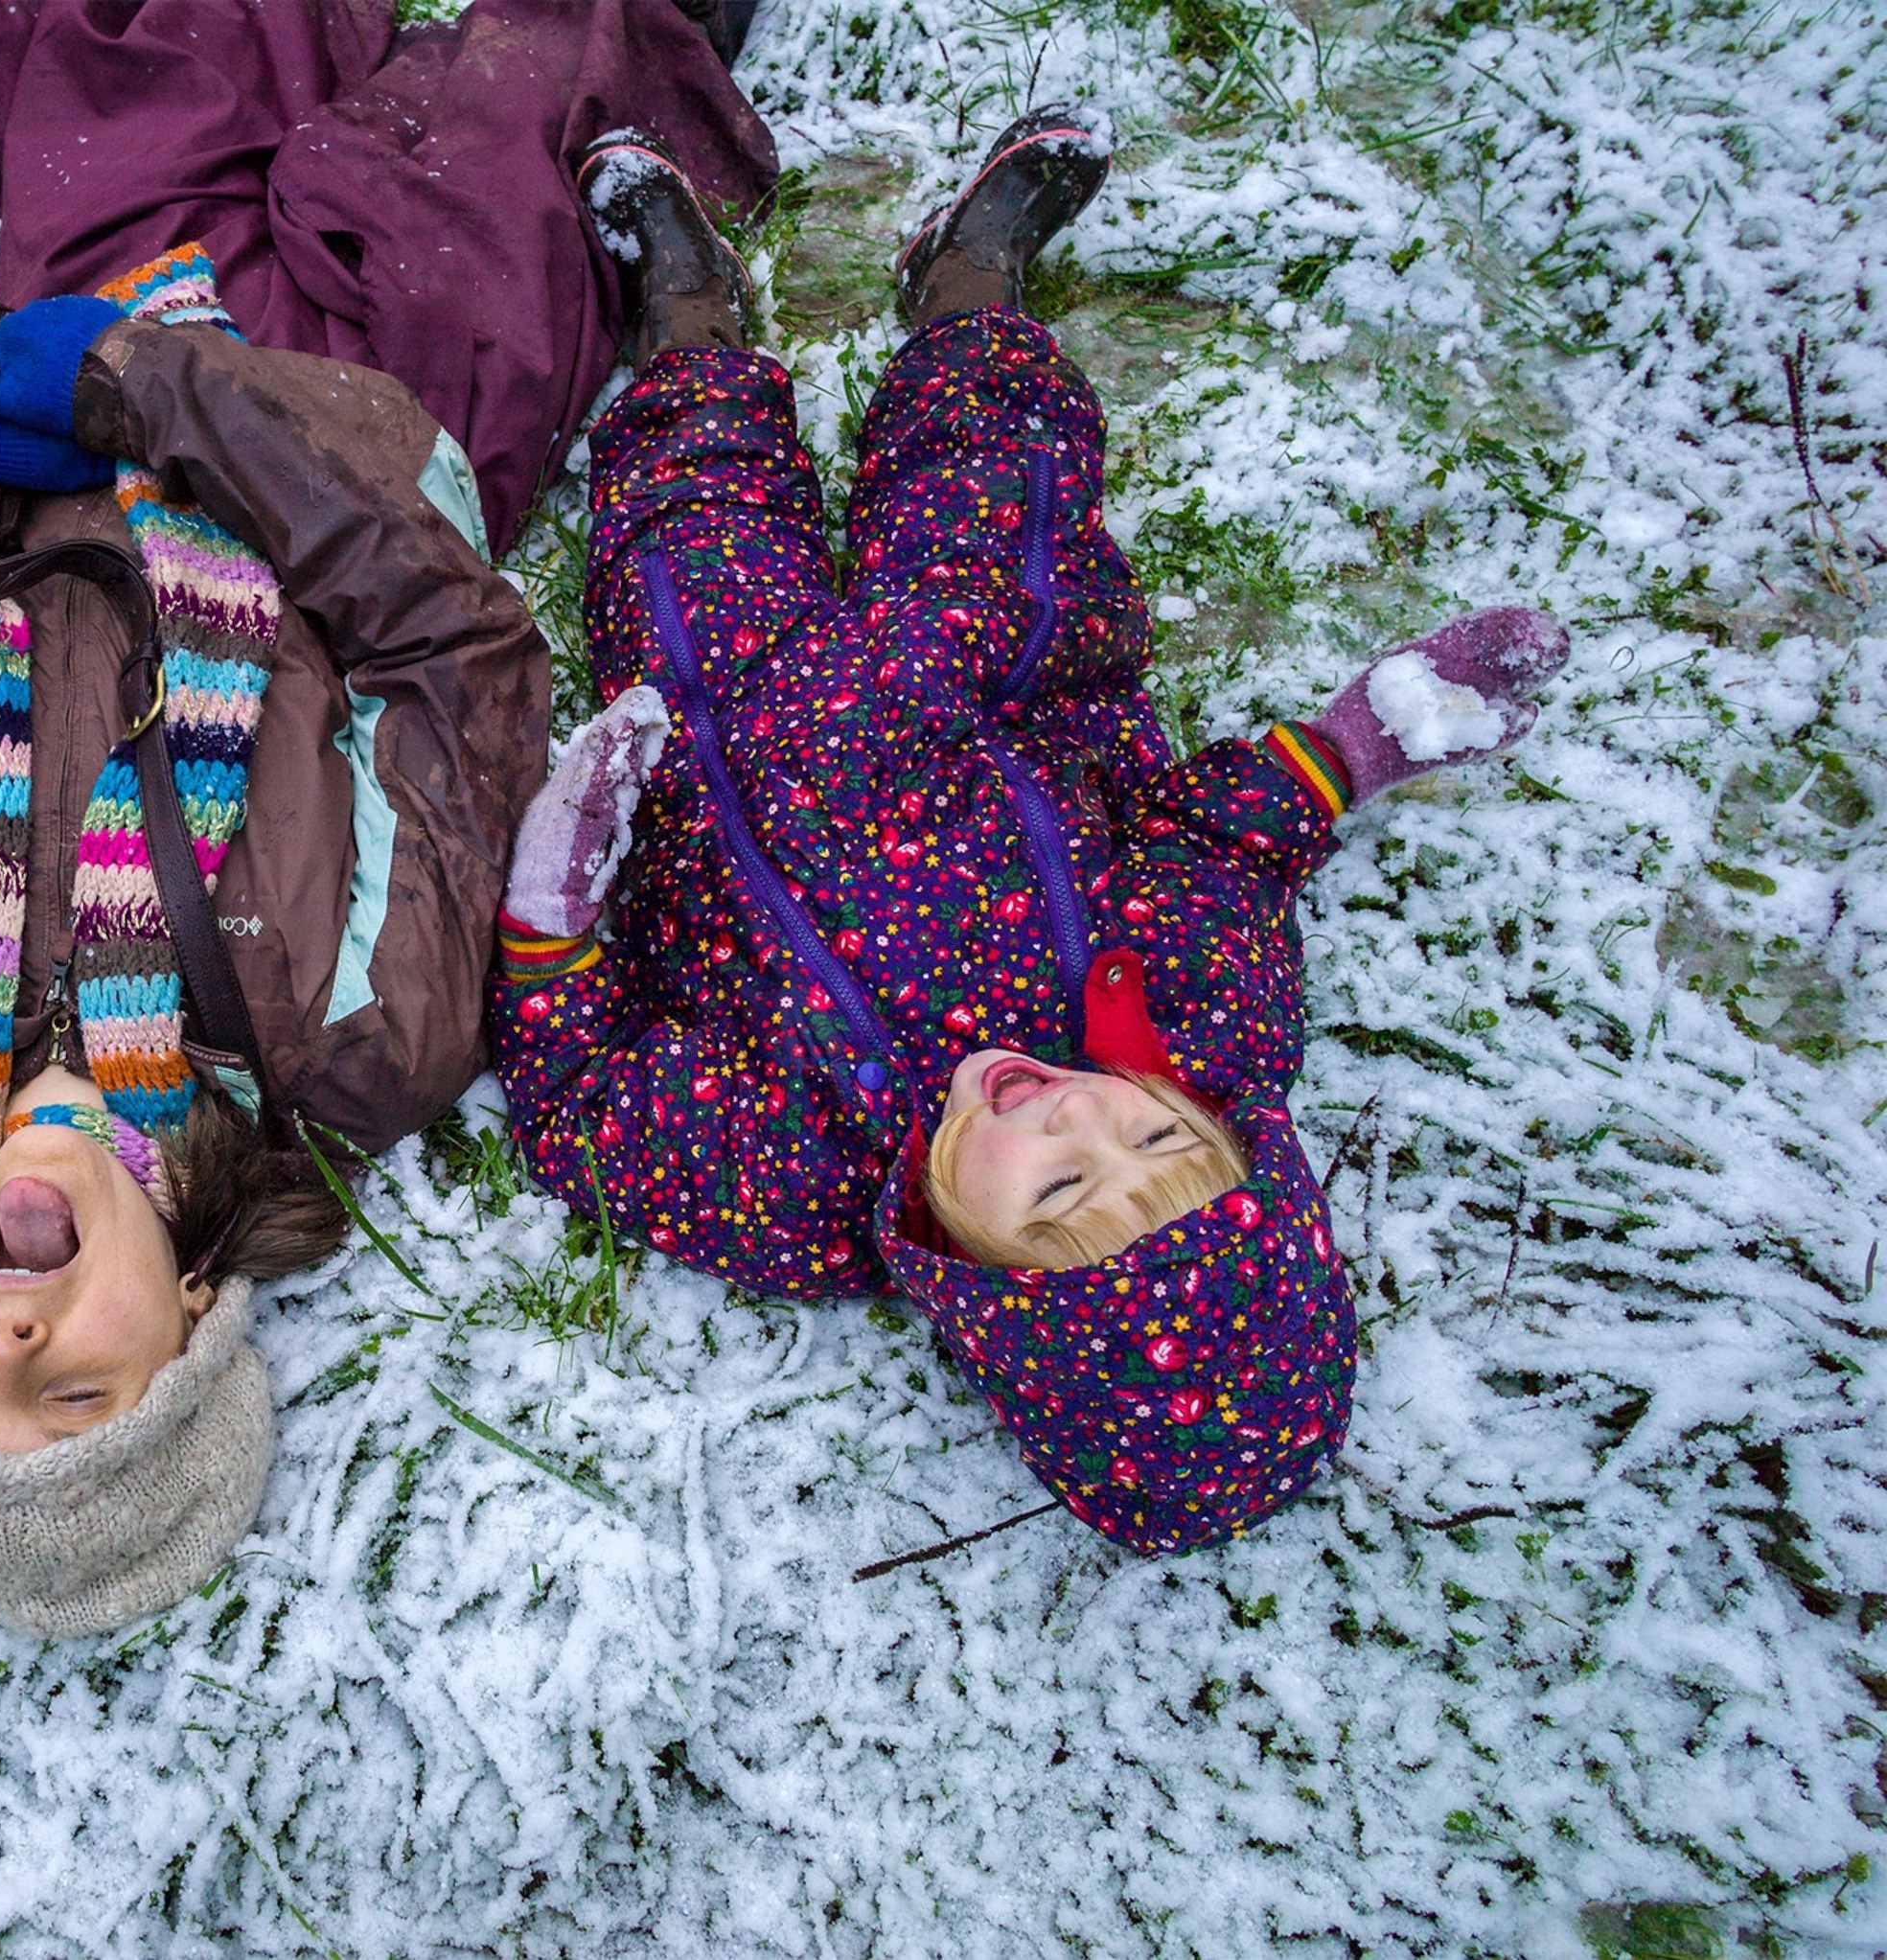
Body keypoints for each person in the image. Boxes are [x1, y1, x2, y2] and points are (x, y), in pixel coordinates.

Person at [0, 0, 772, 1637]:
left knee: (167, 33)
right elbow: (451, 654)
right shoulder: (356, 1041)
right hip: (364, 404)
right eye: (74, 1406)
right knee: (545, 74)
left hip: (38, 389)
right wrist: (176, 406)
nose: (11, 1353)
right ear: (194, 1315)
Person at [490, 109, 1571, 1556]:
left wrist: (556, 915)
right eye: (1144, 1131)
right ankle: (966, 293)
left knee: (680, 533)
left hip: (723, 736)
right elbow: (1217, 851)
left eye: (1061, 1183)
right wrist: (1354, 746)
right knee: (1004, 492)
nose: (1075, 1111)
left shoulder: (805, 1192)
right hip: (983, 674)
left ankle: (688, 336)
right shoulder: (1199, 1026)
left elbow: (587, 1109)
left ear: (990, 1285)